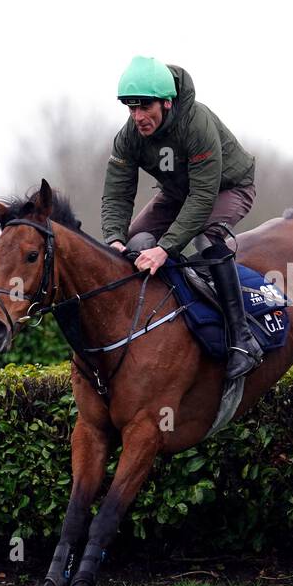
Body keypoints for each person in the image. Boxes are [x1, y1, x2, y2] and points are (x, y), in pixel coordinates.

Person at [101, 55, 263, 378]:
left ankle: (243, 338)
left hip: (227, 187)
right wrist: (115, 239)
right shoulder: (129, 136)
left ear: (167, 102)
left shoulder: (196, 123)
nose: (138, 117)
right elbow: (118, 193)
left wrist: (166, 248)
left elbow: (203, 197)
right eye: (131, 108)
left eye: (145, 107)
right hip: (178, 193)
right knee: (134, 242)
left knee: (207, 236)